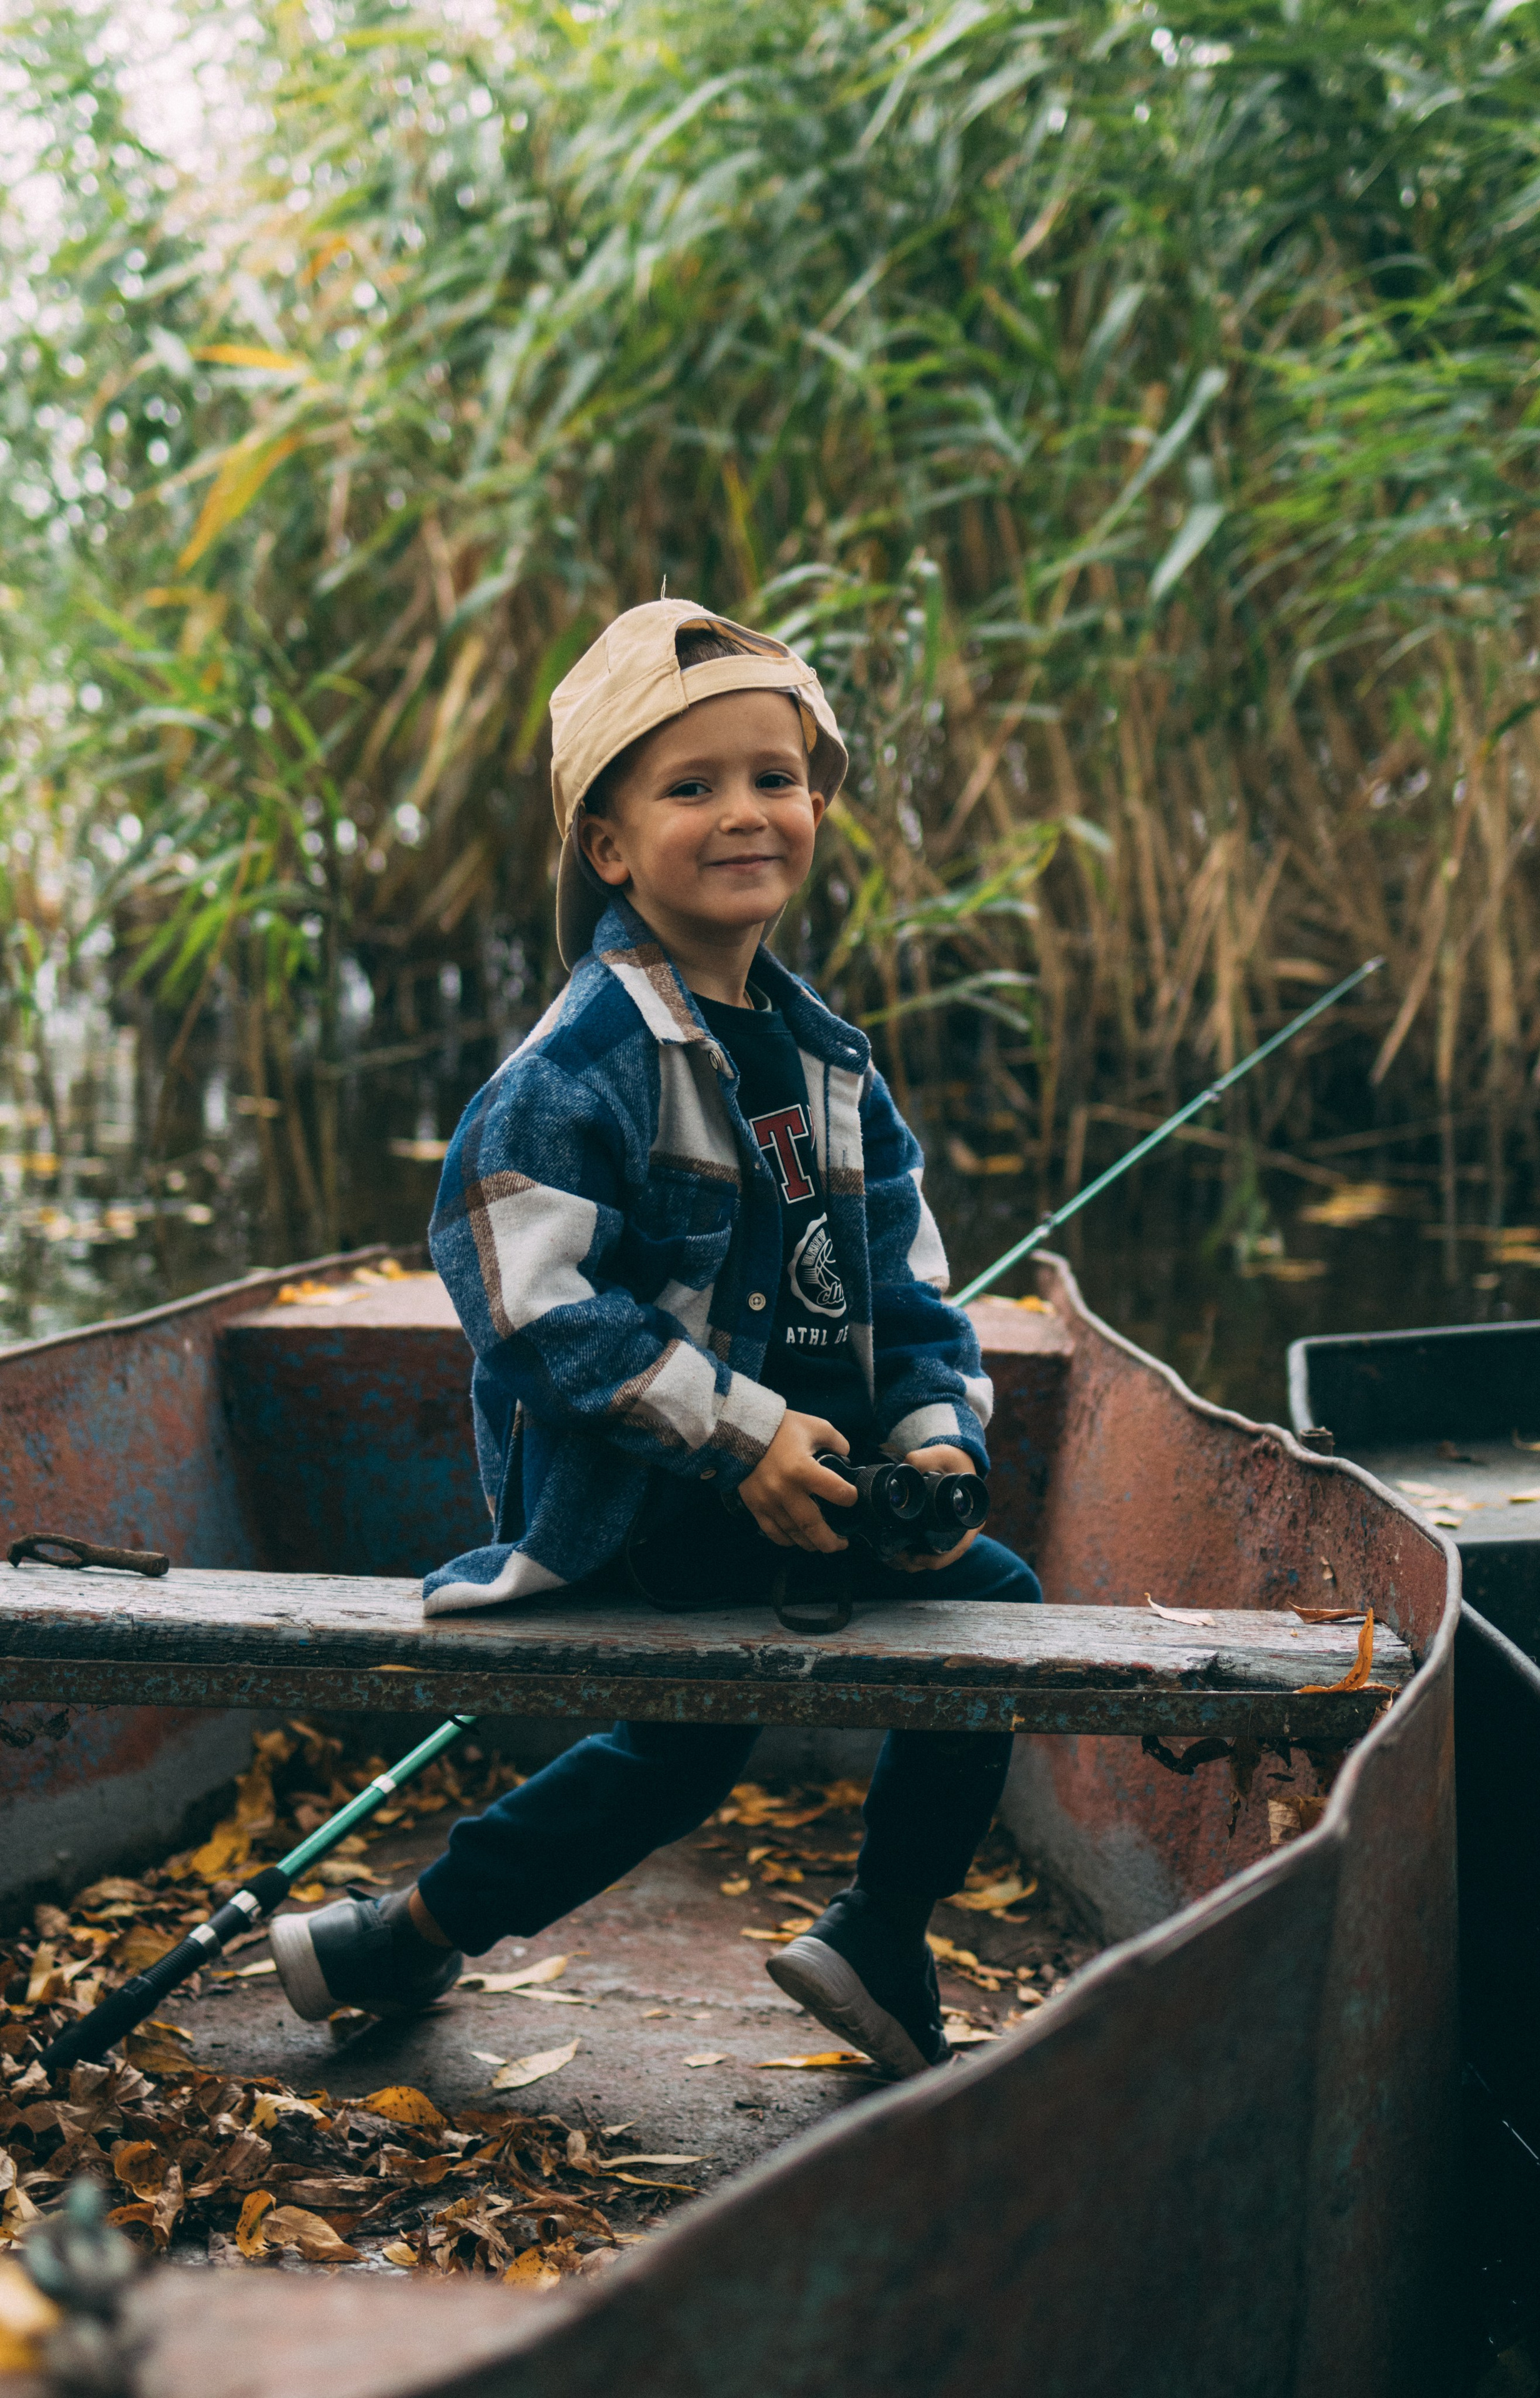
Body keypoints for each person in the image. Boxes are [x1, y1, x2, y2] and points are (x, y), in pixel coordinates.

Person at [270, 601, 1041, 2077]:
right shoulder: (577, 1067)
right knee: (982, 1625)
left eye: (775, 776)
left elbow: (907, 1286)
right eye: (691, 788)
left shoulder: (830, 1063)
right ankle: (882, 1926)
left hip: (811, 1487)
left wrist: (938, 1435)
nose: (747, 811)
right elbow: (523, 1302)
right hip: (646, 1505)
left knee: (726, 1728)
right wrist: (737, 1432)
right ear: (609, 846)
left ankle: (401, 1939)